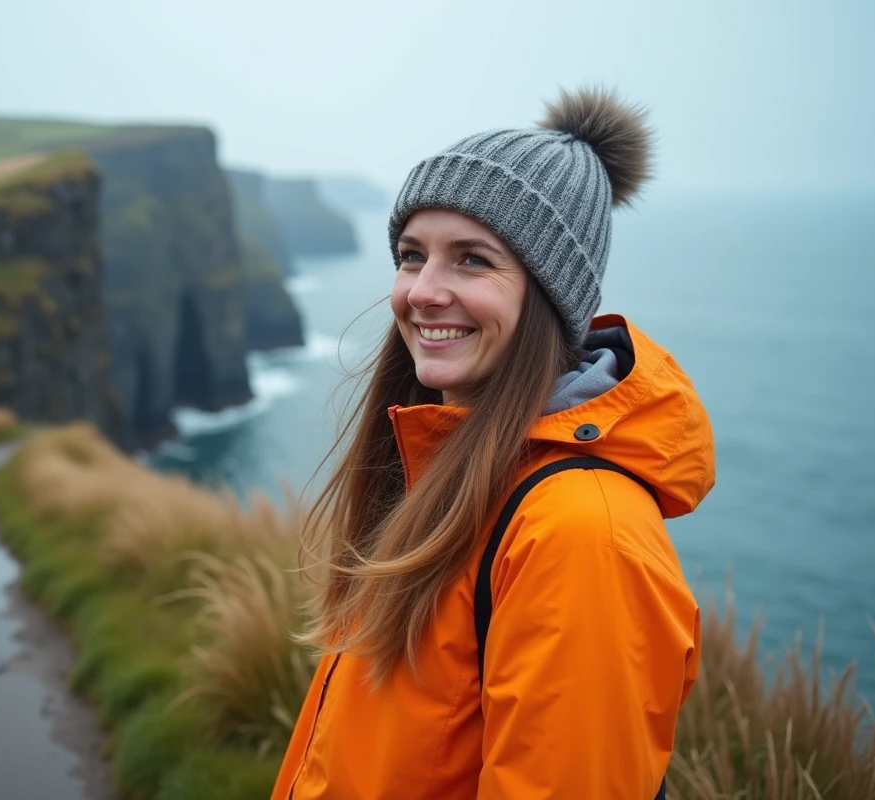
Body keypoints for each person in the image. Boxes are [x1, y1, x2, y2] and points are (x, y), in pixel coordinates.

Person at [272, 87, 717, 800]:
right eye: (412, 255)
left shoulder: (580, 533)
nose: (423, 291)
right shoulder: (443, 468)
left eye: (472, 260)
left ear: (547, 295)